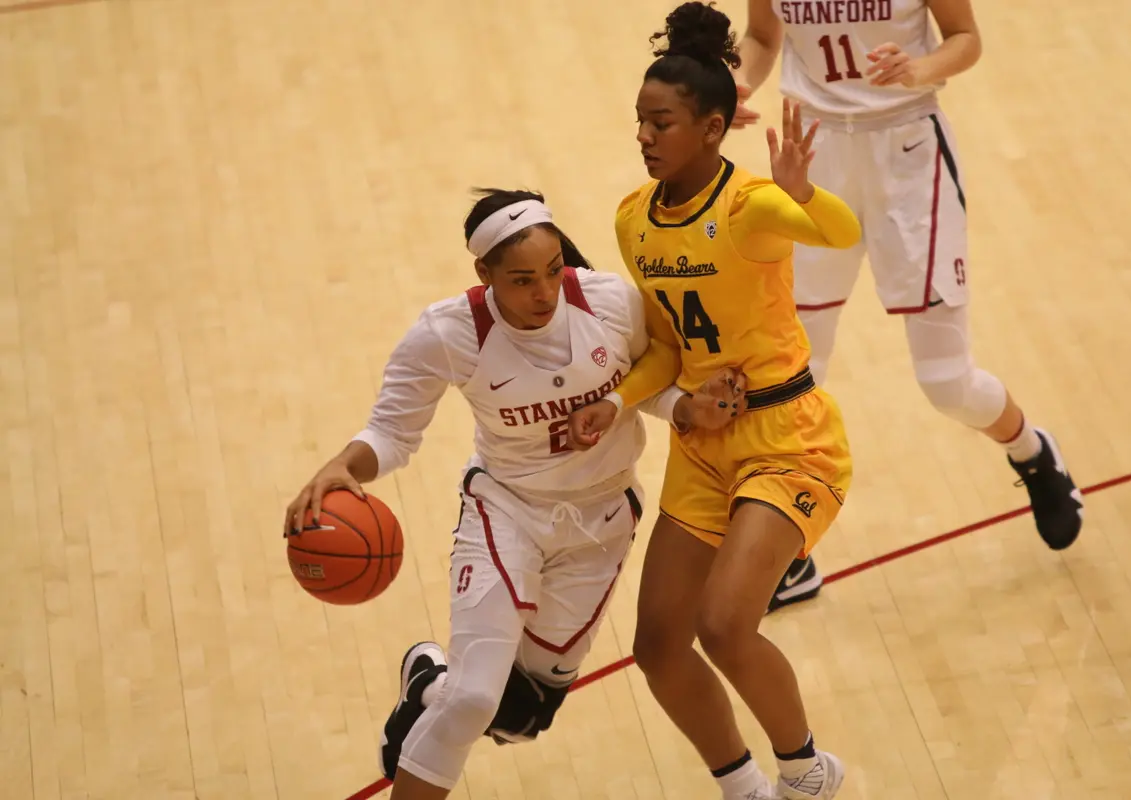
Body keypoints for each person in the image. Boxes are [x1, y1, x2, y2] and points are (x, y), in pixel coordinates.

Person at [282, 188, 744, 799]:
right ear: (485, 274)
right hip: (507, 512)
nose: (545, 293)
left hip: (600, 523)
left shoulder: (609, 302)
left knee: (520, 716)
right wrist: (342, 465)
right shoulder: (449, 332)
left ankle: (426, 685)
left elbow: (651, 383)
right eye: (523, 281)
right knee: (473, 699)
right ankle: (446, 699)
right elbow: (392, 431)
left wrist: (686, 407)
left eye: (553, 271)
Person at [567, 4, 860, 797]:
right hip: (702, 447)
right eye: (639, 120)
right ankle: (743, 787)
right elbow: (668, 346)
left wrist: (804, 193)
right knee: (659, 645)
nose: (643, 136)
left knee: (725, 625)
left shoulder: (750, 207)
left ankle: (806, 771)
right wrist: (617, 403)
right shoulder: (634, 220)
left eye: (660, 122)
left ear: (712, 128)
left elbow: (840, 232)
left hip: (787, 438)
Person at [731, 0, 1085, 611]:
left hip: (908, 153)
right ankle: (792, 552)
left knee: (946, 382)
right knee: (795, 372)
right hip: (813, 154)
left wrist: (920, 68)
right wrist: (738, 81)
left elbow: (965, 37)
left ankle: (1031, 451)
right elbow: (763, 37)